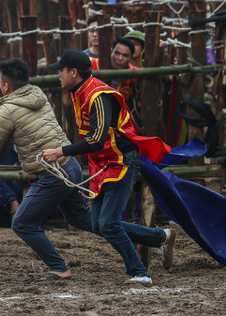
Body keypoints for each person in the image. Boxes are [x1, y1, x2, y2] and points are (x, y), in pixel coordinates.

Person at [40, 49, 175, 287]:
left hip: (120, 161)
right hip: (102, 162)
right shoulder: (78, 91)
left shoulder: (98, 95)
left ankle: (139, 273)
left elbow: (96, 140)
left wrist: (60, 151)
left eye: (61, 70)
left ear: (73, 72)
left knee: (109, 224)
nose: (58, 75)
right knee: (97, 224)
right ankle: (160, 237)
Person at [0, 59, 92, 280]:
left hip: (53, 174)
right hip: (70, 165)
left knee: (22, 223)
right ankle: (152, 237)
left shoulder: (8, 111)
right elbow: (16, 112)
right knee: (85, 220)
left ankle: (59, 267)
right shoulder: (36, 94)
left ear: (5, 86)